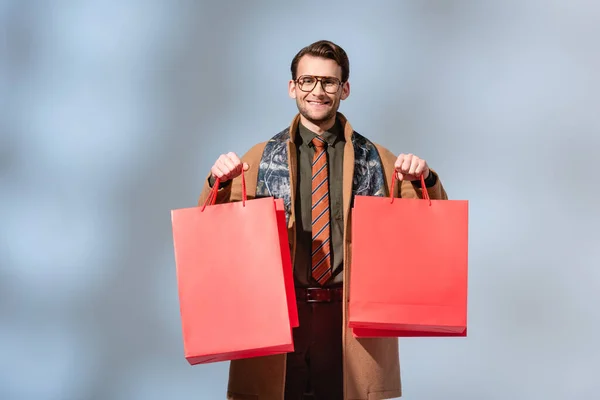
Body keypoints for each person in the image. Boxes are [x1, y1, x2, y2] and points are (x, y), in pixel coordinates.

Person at [197, 40, 448, 400]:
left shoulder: (377, 158)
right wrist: (216, 182)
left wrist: (426, 177)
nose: (318, 91)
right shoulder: (258, 157)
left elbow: (434, 221)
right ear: (292, 87)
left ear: (344, 89)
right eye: (308, 81)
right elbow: (212, 229)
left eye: (329, 82)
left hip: (349, 318)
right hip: (279, 315)